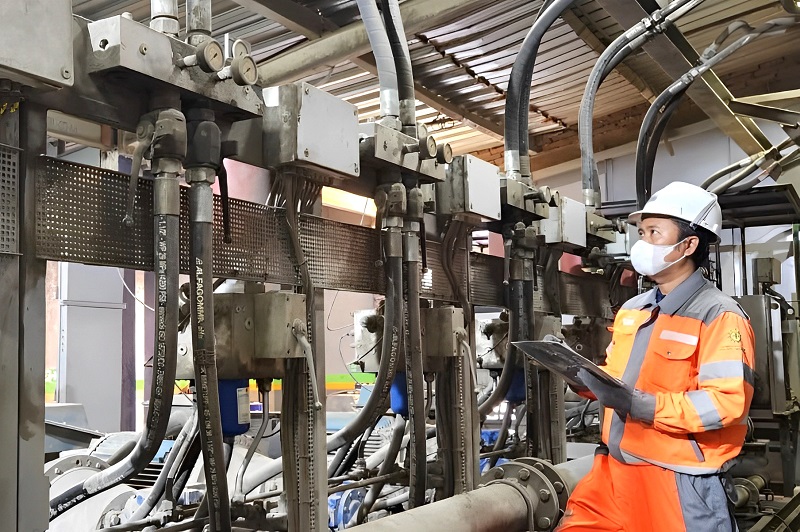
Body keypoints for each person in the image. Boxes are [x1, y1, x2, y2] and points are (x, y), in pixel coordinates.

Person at [556, 181, 755, 531]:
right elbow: (617, 379)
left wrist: (642, 405)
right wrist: (580, 376)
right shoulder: (634, 309)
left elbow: (725, 403)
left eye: (654, 232)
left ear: (688, 244)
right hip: (612, 470)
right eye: (641, 232)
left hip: (678, 480)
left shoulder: (719, 315)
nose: (643, 243)